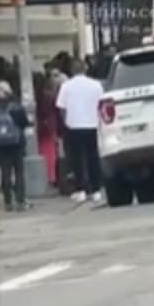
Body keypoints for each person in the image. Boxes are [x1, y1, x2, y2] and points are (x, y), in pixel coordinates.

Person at [55, 59, 104, 204]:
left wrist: (66, 121)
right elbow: (101, 104)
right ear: (86, 69)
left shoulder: (66, 86)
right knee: (93, 157)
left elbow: (61, 107)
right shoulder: (96, 85)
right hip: (92, 124)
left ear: (72, 70)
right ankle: (96, 189)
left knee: (76, 159)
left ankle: (81, 189)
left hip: (74, 125)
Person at [0, 84, 30, 212]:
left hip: (1, 143)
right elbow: (25, 123)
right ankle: (20, 201)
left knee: (5, 172)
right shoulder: (16, 107)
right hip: (17, 143)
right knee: (19, 172)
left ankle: (7, 202)